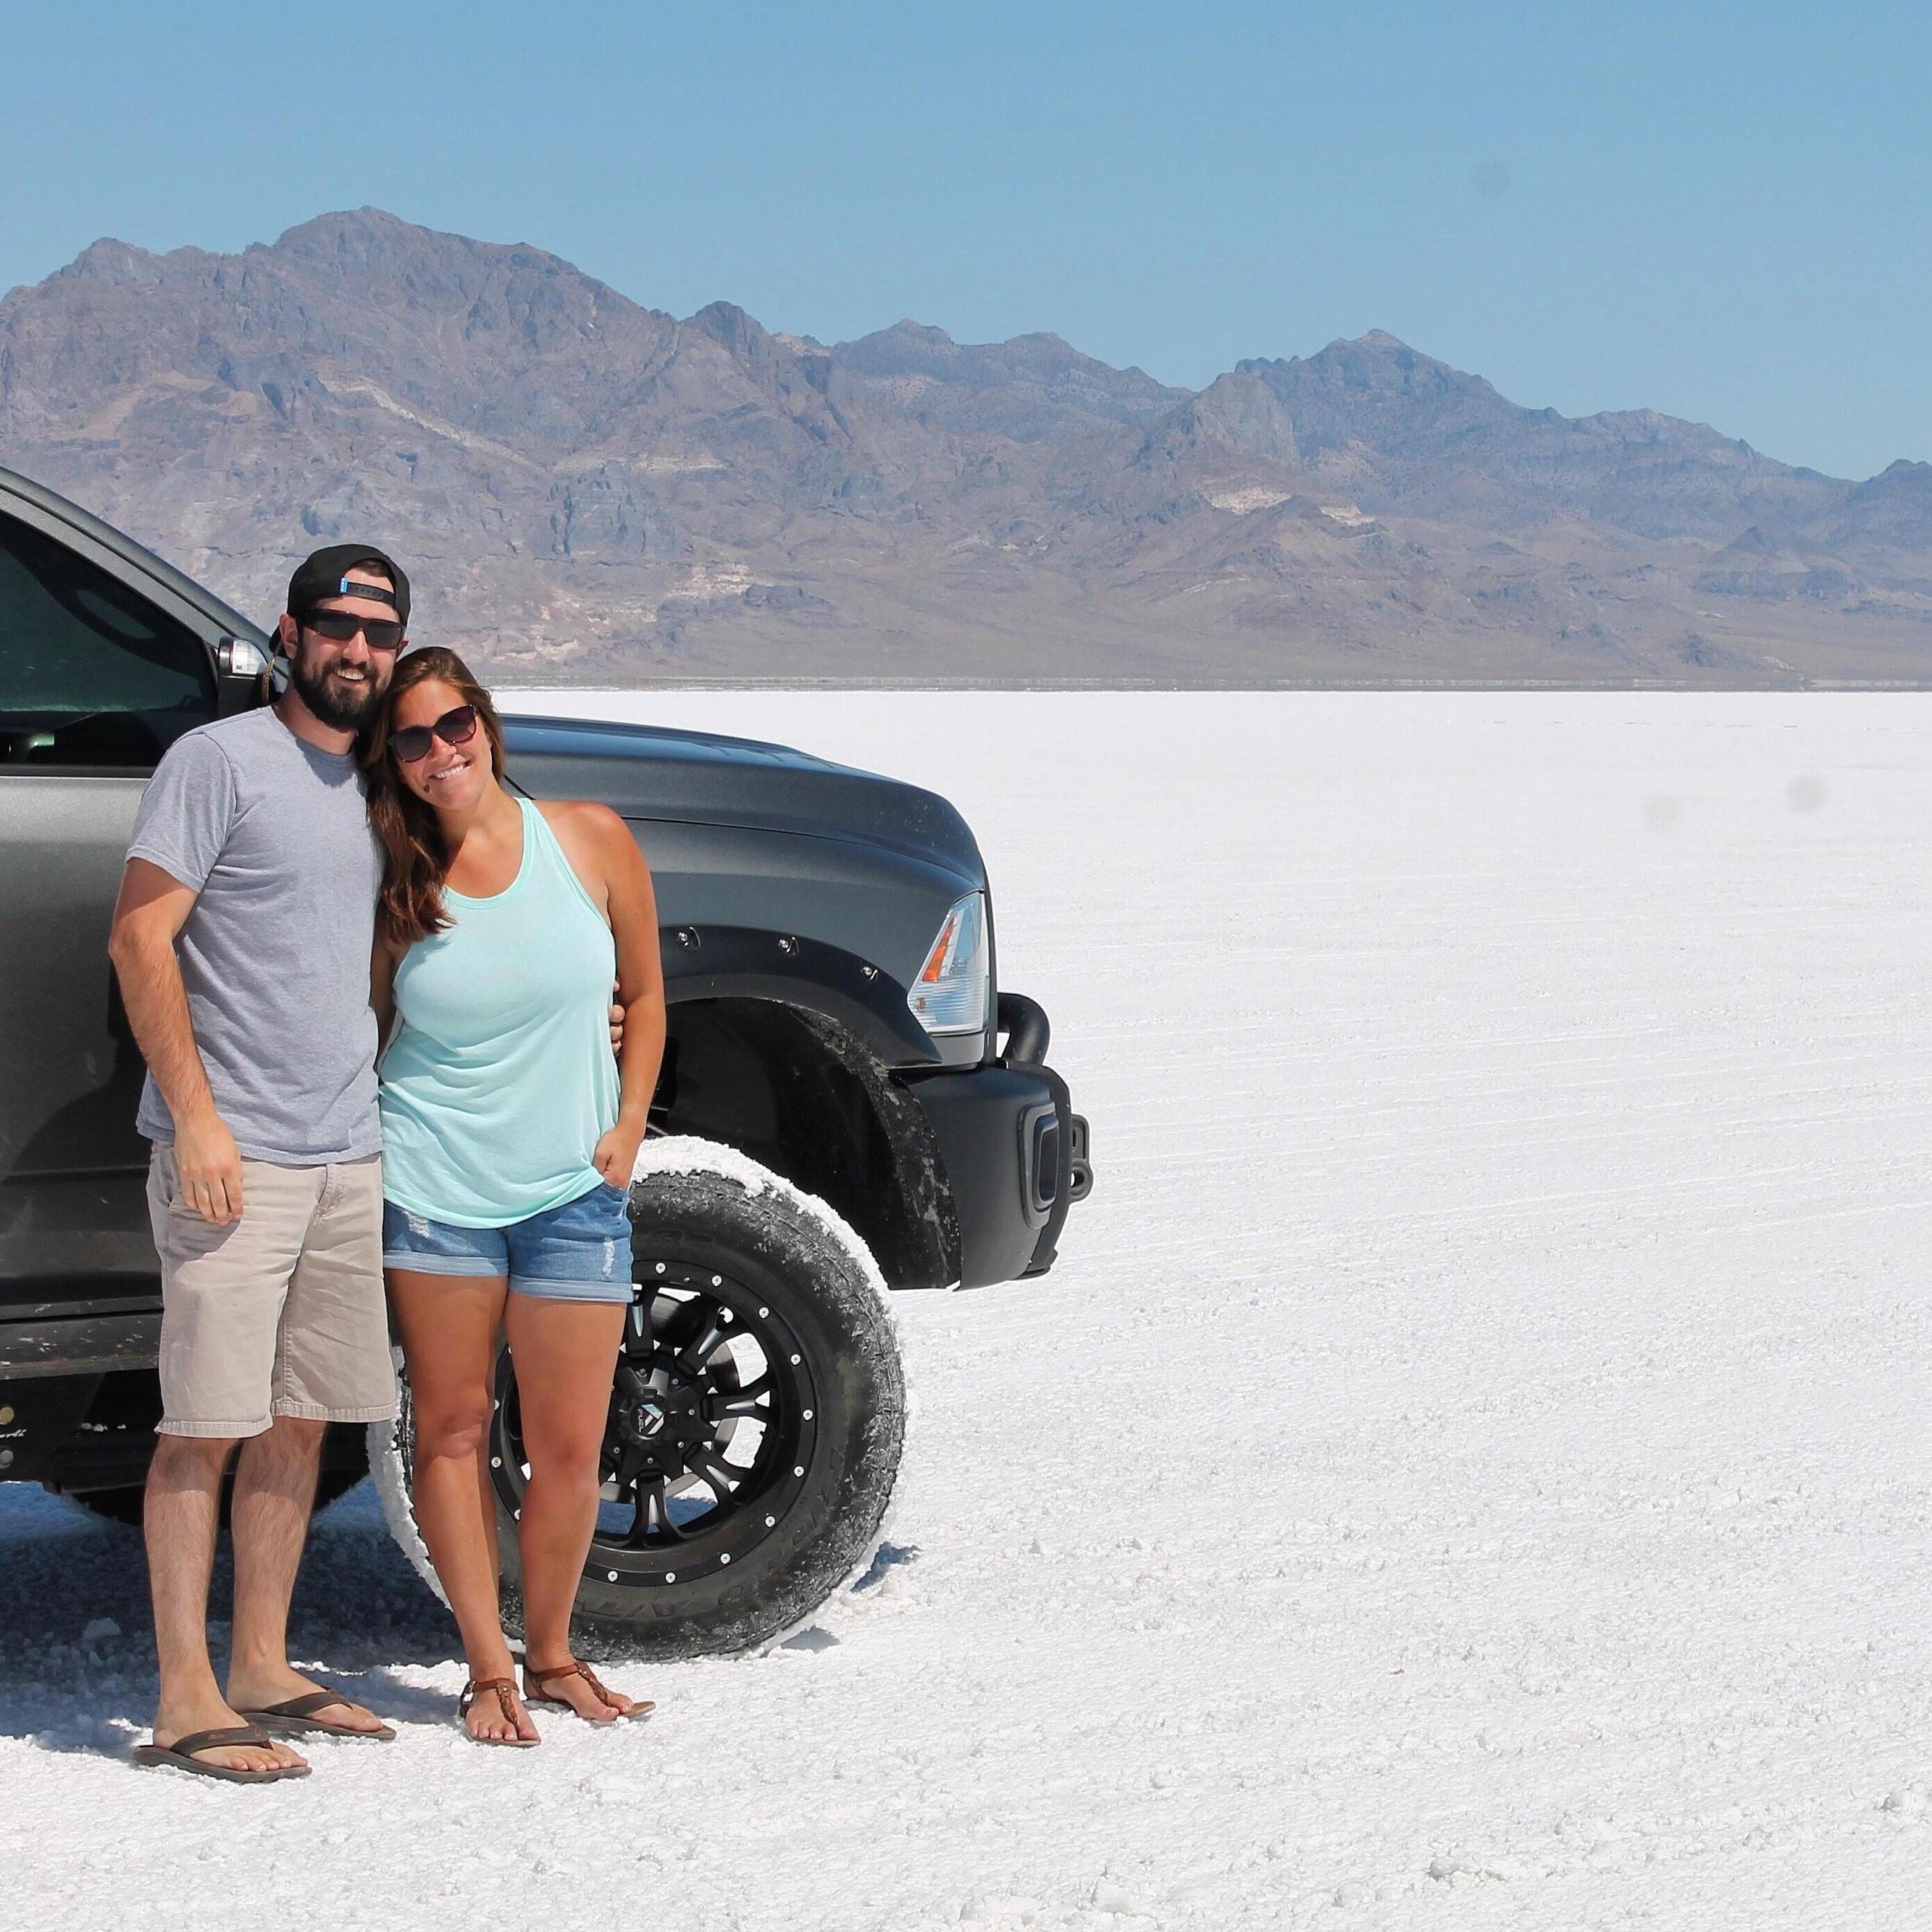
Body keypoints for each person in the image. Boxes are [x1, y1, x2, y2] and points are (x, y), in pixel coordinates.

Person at [109, 546, 414, 1781]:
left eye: (378, 634)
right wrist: (196, 1117)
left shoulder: (386, 786)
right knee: (205, 1423)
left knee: (298, 1423)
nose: (356, 650)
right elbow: (140, 935)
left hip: (349, 1148)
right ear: (290, 634)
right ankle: (186, 1696)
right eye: (336, 627)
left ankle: (263, 1665)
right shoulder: (216, 763)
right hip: (235, 1155)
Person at [366, 648, 666, 1745]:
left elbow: (646, 994)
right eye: (412, 739)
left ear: (485, 726)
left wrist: (628, 1125)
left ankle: (554, 1652)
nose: (440, 752)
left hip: (571, 1191)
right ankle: (487, 1669)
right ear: (392, 762)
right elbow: (362, 1020)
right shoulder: (395, 880)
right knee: (450, 1430)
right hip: (436, 1184)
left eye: (455, 727)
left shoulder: (588, 838)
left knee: (571, 1448)